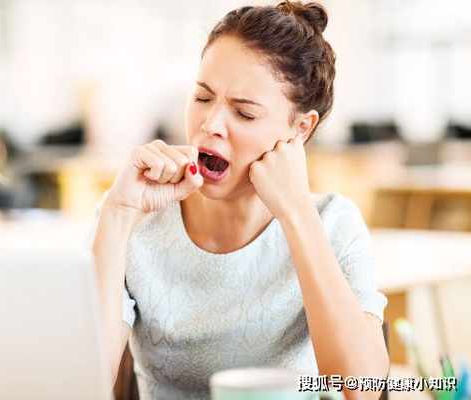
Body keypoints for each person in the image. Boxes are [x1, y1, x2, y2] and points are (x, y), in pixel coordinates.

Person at [91, 2, 388, 399]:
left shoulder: (333, 223)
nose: (210, 125)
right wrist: (117, 214)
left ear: (300, 129)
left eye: (244, 113)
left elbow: (362, 389)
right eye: (202, 97)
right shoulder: (134, 220)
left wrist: (297, 214)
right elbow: (80, 383)